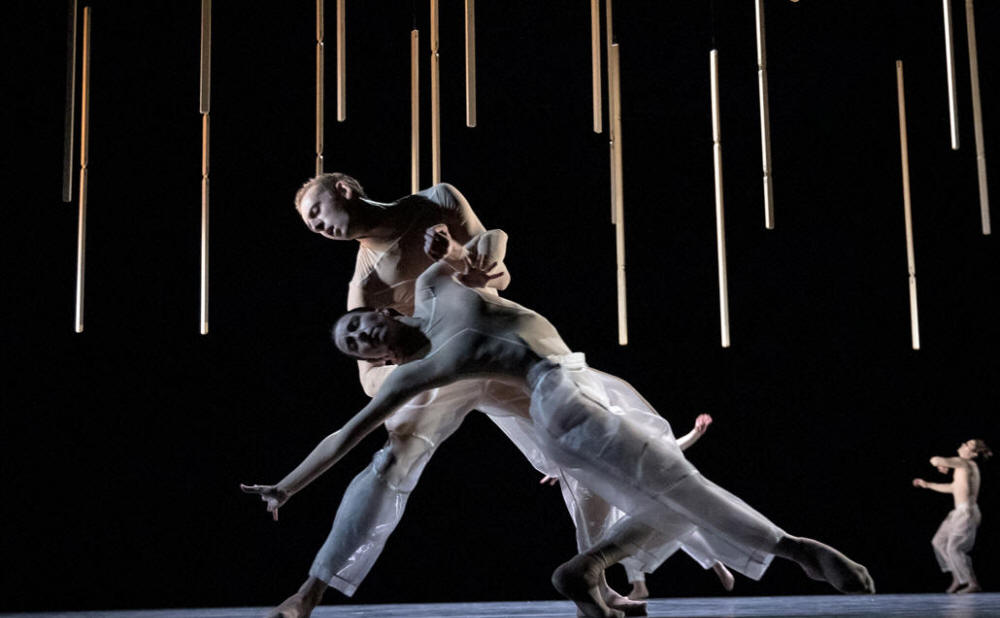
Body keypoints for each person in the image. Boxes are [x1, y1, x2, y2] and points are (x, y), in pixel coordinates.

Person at [244, 225, 875, 618]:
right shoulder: (420, 372)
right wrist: (288, 486)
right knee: (680, 485)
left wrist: (458, 249)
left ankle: (589, 567)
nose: (360, 334)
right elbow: (346, 436)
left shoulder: (434, 288)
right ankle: (794, 548)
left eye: (357, 324)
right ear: (380, 359)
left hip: (573, 400)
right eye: (355, 344)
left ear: (384, 311)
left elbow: (491, 243)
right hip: (561, 399)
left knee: (671, 504)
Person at [258, 175, 648, 618]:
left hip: (491, 346)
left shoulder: (438, 202)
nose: (317, 226)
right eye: (310, 225)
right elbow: (368, 380)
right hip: (437, 370)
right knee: (391, 462)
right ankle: (307, 594)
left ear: (343, 190)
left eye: (316, 212)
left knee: (582, 449)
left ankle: (596, 582)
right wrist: (418, 366)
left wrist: (460, 257)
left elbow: (498, 275)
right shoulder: (364, 286)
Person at [617, 414, 735, 600]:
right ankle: (639, 587)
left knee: (679, 533)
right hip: (640, 507)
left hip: (663, 504)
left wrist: (695, 432)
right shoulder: (619, 454)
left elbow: (676, 446)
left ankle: (715, 564)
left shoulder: (647, 450)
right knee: (624, 544)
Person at [913, 439, 992, 594]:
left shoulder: (964, 463)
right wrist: (927, 484)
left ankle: (972, 582)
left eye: (967, 445)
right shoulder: (964, 467)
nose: (962, 445)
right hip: (958, 512)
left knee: (954, 548)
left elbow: (935, 460)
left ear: (974, 453)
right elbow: (953, 488)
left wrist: (942, 464)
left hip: (966, 513)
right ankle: (957, 575)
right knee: (939, 542)